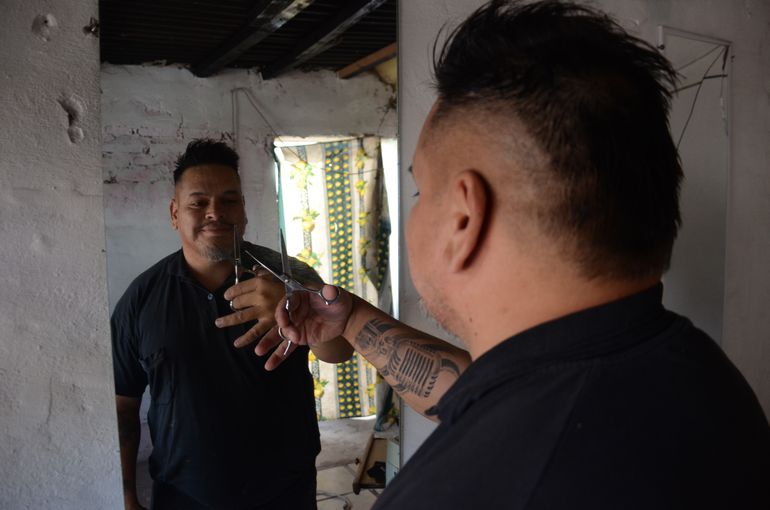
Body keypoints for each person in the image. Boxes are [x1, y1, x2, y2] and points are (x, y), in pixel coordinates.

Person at [219, 1, 770, 508]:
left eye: (420, 192)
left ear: (463, 217)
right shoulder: (695, 375)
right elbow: (479, 391)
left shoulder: (468, 487)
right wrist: (355, 320)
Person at [111, 139, 352, 510]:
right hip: (183, 494)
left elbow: (339, 351)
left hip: (283, 490)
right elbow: (124, 403)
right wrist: (127, 496)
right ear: (175, 213)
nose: (215, 213)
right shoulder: (142, 298)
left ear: (244, 209)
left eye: (229, 200)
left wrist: (297, 311)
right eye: (198, 203)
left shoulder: (290, 276)